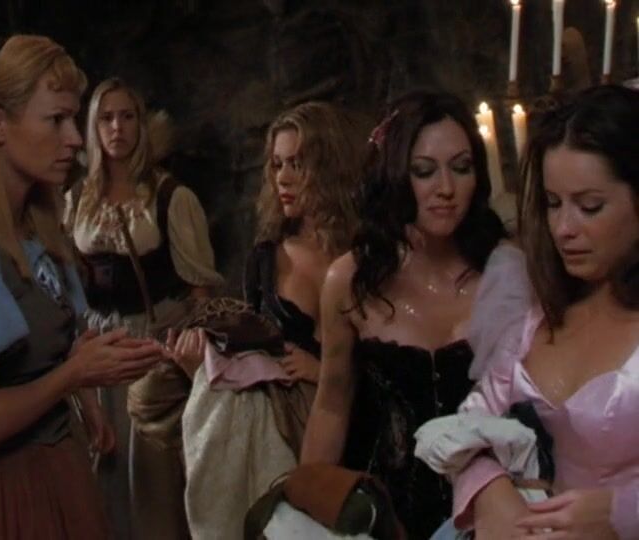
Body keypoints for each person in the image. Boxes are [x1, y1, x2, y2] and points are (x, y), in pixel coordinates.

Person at [301, 91, 531, 539]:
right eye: (424, 171)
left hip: (493, 512)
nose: (446, 188)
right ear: (395, 177)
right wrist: (307, 502)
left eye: (461, 168)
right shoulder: (349, 280)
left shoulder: (507, 270)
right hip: (383, 515)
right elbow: (331, 405)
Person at [0, 35, 162, 539]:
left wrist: (89, 394)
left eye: (74, 118)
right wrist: (73, 376)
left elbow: (58, 338)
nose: (74, 139)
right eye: (56, 120)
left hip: (59, 468)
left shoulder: (38, 230)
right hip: (5, 492)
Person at [170, 101, 369, 539]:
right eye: (277, 164)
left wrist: (323, 371)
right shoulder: (266, 258)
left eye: (297, 163)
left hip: (363, 430)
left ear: (329, 166)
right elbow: (254, 357)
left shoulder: (368, 256)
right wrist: (202, 369)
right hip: (289, 435)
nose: (284, 178)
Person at [449, 85, 639, 540]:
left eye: (589, 206)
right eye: (553, 204)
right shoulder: (536, 315)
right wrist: (489, 489)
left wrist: (623, 513)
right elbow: (470, 423)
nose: (563, 228)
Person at [65, 78, 223, 540]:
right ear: (93, 128)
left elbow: (199, 291)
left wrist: (192, 360)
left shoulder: (170, 196)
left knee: (156, 475)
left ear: (140, 123)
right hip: (99, 345)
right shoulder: (77, 199)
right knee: (104, 465)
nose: (117, 127)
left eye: (126, 116)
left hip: (153, 341)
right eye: (106, 118)